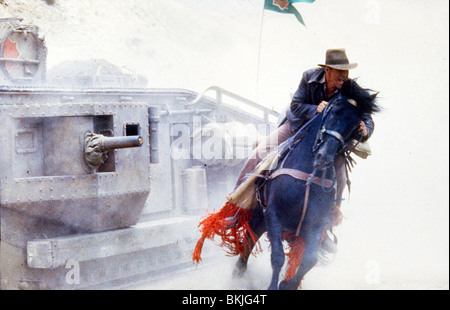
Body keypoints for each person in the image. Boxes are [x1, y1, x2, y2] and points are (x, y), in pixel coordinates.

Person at [235, 48, 375, 252]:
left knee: (342, 177)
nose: (344, 77)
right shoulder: (308, 77)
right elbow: (295, 106)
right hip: (297, 126)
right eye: (339, 72)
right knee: (261, 151)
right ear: (327, 70)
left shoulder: (350, 87)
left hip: (327, 137)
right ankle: (236, 202)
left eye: (346, 72)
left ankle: (327, 227)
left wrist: (365, 129)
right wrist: (314, 109)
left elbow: (368, 117)